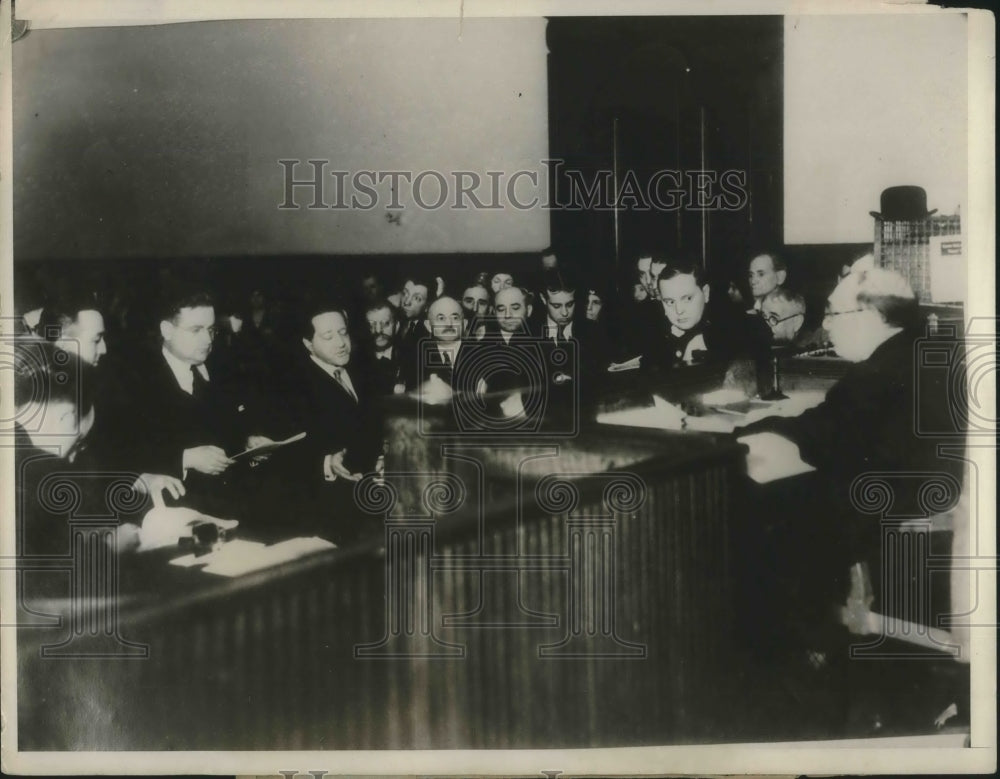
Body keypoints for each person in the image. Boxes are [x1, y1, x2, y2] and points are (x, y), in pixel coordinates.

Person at [734, 267, 963, 655]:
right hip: (930, 491)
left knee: (758, 504)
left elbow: (826, 433)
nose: (825, 325)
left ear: (872, 317)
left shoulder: (878, 372)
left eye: (833, 314)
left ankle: (786, 647)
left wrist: (749, 428)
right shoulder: (920, 351)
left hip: (894, 500)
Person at [109, 288, 267, 516]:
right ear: (167, 330)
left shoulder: (221, 368)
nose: (207, 339)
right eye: (196, 330)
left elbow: (230, 429)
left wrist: (248, 443)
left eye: (211, 330)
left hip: (234, 499)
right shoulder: (133, 381)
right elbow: (120, 452)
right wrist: (185, 458)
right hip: (177, 506)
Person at [268, 303, 384, 544]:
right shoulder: (290, 386)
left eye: (343, 333)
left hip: (372, 499)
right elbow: (283, 452)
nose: (340, 343)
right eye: (328, 336)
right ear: (308, 344)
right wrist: (327, 462)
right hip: (326, 513)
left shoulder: (364, 373)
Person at [649, 258, 770, 371]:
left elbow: (757, 333)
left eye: (688, 299)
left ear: (705, 293)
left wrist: (705, 338)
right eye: (670, 302)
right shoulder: (655, 338)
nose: (679, 310)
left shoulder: (735, 326)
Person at [760, 287, 828, 351]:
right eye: (764, 317)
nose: (765, 324)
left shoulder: (816, 347)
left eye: (773, 318)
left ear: (797, 322)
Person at [361, 299, 404, 395]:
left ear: (396, 326)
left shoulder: (409, 357)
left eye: (385, 324)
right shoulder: (359, 362)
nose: (378, 330)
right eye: (371, 325)